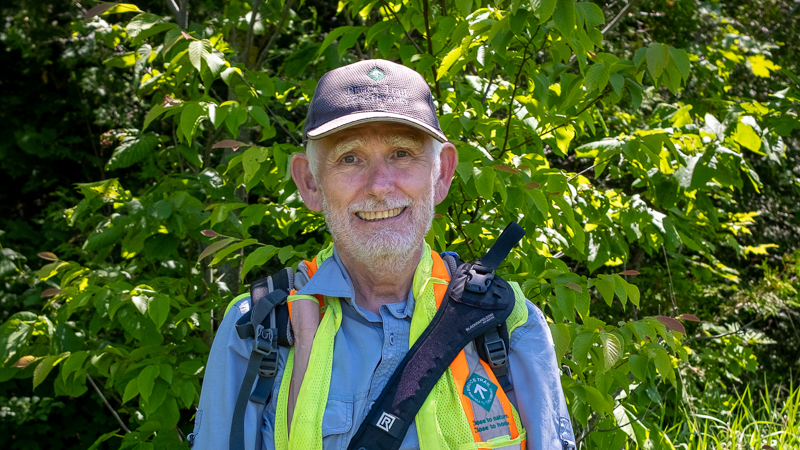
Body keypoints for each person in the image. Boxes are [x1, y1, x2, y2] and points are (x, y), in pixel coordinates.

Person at [190, 59, 576, 450]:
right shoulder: (256, 327)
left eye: (402, 154)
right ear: (310, 183)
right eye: (350, 158)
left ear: (441, 174)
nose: (379, 186)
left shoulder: (508, 322)